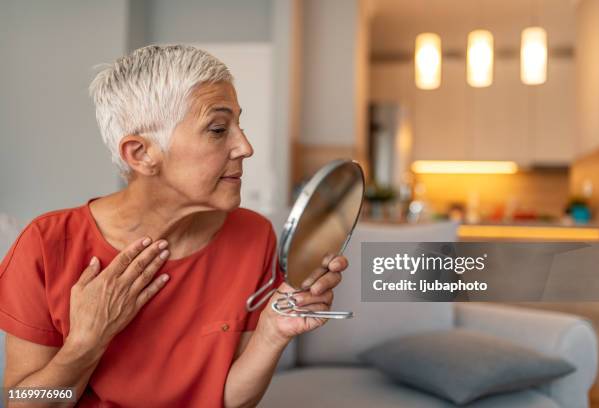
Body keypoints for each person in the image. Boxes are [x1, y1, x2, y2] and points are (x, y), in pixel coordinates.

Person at [0, 45, 349, 407]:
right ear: (142, 154)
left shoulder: (253, 236)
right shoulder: (46, 244)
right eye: (218, 129)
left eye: (238, 125)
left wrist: (272, 333)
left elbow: (227, 400)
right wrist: (86, 342)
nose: (245, 147)